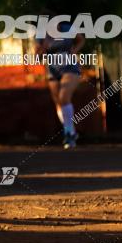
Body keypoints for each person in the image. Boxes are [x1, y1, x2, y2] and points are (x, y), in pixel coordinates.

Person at [34, 10, 84, 149]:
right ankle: (71, 131)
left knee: (64, 97)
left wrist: (74, 51)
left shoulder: (67, 29)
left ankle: (68, 132)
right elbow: (37, 58)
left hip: (70, 68)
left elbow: (80, 39)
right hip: (53, 71)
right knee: (59, 103)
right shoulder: (41, 36)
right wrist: (42, 48)